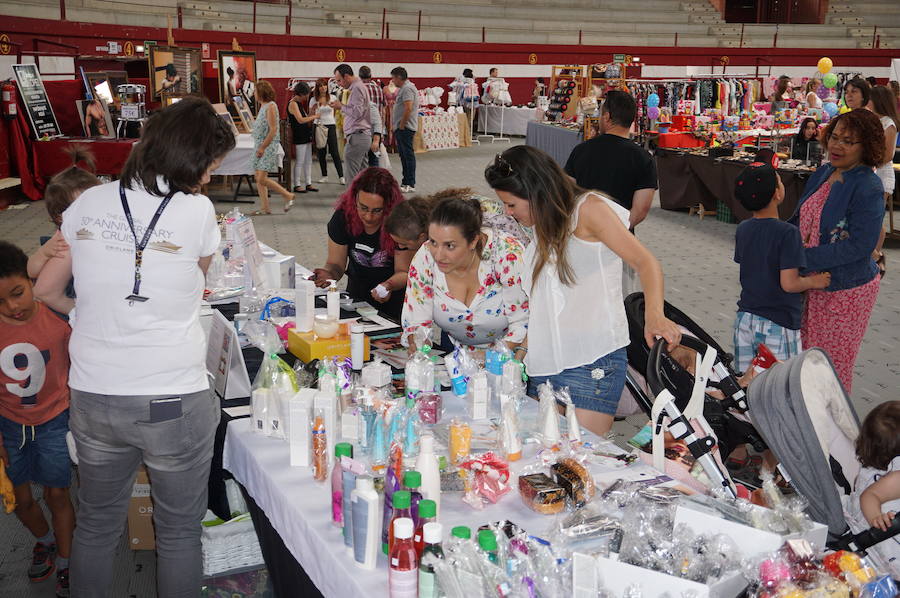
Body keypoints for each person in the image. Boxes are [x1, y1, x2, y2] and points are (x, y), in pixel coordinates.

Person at [59, 97, 235, 597]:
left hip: (93, 392)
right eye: (207, 167)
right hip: (171, 395)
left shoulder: (88, 200)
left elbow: (48, 283)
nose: (206, 179)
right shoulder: (197, 210)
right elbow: (196, 284)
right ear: (186, 157)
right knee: (179, 533)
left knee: (96, 526)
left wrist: (84, 316)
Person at [485, 146, 681, 436]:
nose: (507, 213)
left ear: (535, 192)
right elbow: (547, 306)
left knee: (582, 461)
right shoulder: (545, 223)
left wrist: (655, 316)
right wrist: (521, 350)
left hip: (592, 361)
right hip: (547, 361)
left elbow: (646, 262)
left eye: (511, 204)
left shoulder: (588, 209)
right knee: (548, 458)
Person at [788, 109, 885, 393]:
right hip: (811, 282)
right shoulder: (825, 171)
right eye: (835, 137)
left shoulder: (868, 186)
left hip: (845, 289)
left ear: (866, 146)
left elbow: (860, 246)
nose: (836, 145)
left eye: (847, 141)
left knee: (830, 369)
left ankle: (834, 433)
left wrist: (801, 259)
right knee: (805, 361)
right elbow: (800, 218)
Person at [0, 241, 75, 598]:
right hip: (9, 426)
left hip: (55, 420)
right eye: (0, 301)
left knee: (58, 493)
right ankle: (43, 541)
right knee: (20, 499)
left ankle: (65, 560)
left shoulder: (60, 320)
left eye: (17, 293)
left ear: (31, 281)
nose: (12, 307)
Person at [731, 162, 831, 373]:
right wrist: (814, 281)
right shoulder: (788, 233)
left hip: (745, 319)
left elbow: (758, 259)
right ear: (777, 193)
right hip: (777, 323)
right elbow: (789, 283)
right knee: (778, 384)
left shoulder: (743, 229)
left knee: (745, 379)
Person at [401, 196, 529, 357]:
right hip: (454, 350)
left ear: (473, 241)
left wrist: (490, 359)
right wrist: (420, 345)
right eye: (433, 242)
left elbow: (522, 323)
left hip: (510, 354)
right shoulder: (426, 256)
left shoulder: (508, 255)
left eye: (450, 246)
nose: (439, 255)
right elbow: (417, 318)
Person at [312, 167, 408, 319]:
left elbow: (404, 272)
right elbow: (336, 264)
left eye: (377, 210)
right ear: (354, 199)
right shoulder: (343, 218)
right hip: (356, 298)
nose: (368, 217)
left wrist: (388, 286)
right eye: (363, 208)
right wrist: (328, 274)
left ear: (389, 207)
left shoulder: (400, 222)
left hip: (395, 302)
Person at [564, 90, 658, 230]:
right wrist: (616, 233)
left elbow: (566, 192)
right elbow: (640, 210)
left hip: (583, 230)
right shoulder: (644, 158)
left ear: (607, 117)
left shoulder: (581, 150)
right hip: (620, 238)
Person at [28, 147, 101, 315]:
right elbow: (33, 274)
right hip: (66, 307)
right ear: (61, 216)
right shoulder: (63, 240)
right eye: (84, 206)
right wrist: (44, 253)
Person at [846, 400, 899, 579]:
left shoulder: (870, 471)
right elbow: (870, 495)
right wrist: (876, 517)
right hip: (882, 542)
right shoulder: (896, 476)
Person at [251, 80, 294, 215]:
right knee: (258, 177)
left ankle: (288, 195)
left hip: (267, 146)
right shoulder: (263, 106)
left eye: (255, 91)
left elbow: (273, 129)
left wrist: (263, 147)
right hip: (260, 145)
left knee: (262, 178)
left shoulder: (270, 106)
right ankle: (265, 207)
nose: (254, 94)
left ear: (261, 92)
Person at [869, 85, 898, 276]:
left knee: (875, 218)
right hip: (871, 172)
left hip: (882, 175)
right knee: (869, 217)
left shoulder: (889, 125)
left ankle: (876, 256)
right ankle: (873, 256)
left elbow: (887, 156)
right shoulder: (874, 121)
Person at [331, 64, 372, 185]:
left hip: (357, 136)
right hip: (360, 136)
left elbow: (357, 112)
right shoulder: (357, 87)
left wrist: (341, 107)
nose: (339, 84)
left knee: (352, 178)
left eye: (339, 80)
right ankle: (364, 201)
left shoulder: (357, 88)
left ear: (347, 76)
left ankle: (352, 202)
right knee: (363, 177)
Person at [287, 81, 319, 194]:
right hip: (299, 135)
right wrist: (314, 116)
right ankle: (297, 184)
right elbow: (300, 120)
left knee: (308, 161)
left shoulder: (299, 104)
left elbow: (305, 118)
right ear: (300, 93)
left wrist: (311, 112)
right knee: (300, 161)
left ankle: (308, 183)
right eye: (306, 94)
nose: (307, 97)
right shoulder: (293, 104)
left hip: (305, 134)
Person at [391, 66, 419, 193]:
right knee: (404, 155)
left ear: (398, 77)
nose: (392, 81)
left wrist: (402, 125)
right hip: (403, 127)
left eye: (393, 78)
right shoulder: (405, 88)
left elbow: (408, 108)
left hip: (405, 128)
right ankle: (406, 181)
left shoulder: (407, 89)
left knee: (407, 156)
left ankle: (409, 182)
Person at [311, 78, 345, 184]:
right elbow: (311, 115)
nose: (323, 87)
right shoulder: (313, 100)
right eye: (321, 86)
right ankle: (324, 175)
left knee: (335, 152)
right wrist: (314, 109)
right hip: (318, 126)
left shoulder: (333, 97)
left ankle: (341, 176)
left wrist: (331, 120)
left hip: (331, 125)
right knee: (321, 152)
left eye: (325, 85)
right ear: (317, 88)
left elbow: (336, 111)